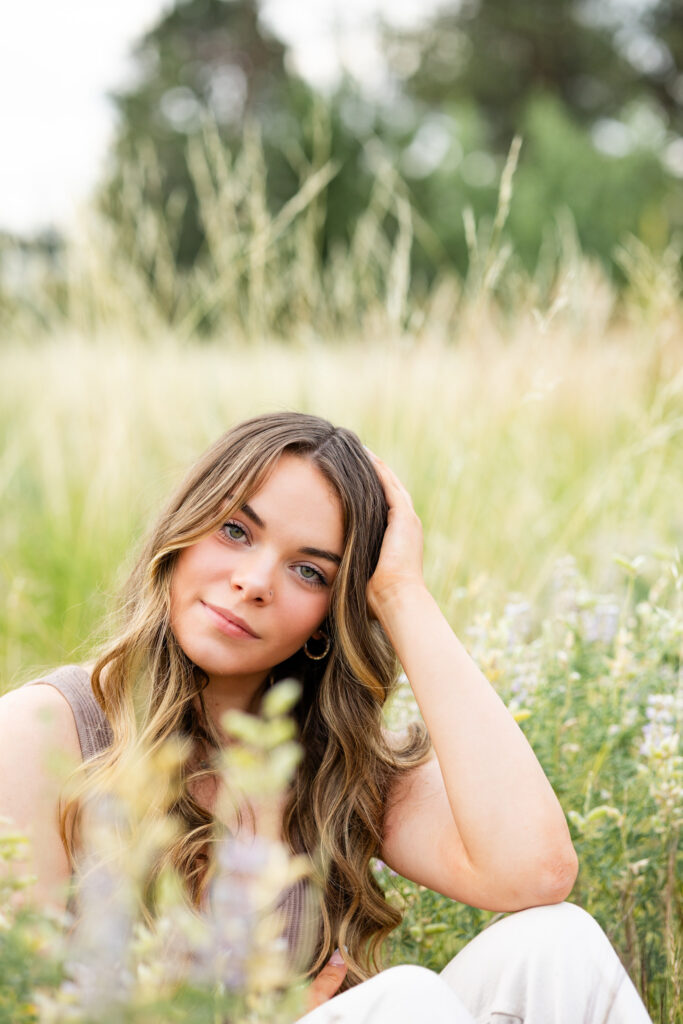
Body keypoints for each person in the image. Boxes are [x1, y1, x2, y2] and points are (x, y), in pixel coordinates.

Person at [0, 411, 652, 1023]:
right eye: (235, 530)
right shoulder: (44, 729)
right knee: (406, 1002)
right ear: (182, 531)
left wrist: (401, 594)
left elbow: (534, 872)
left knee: (556, 940)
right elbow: (25, 997)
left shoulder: (337, 761)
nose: (254, 581)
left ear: (327, 617)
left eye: (309, 571)